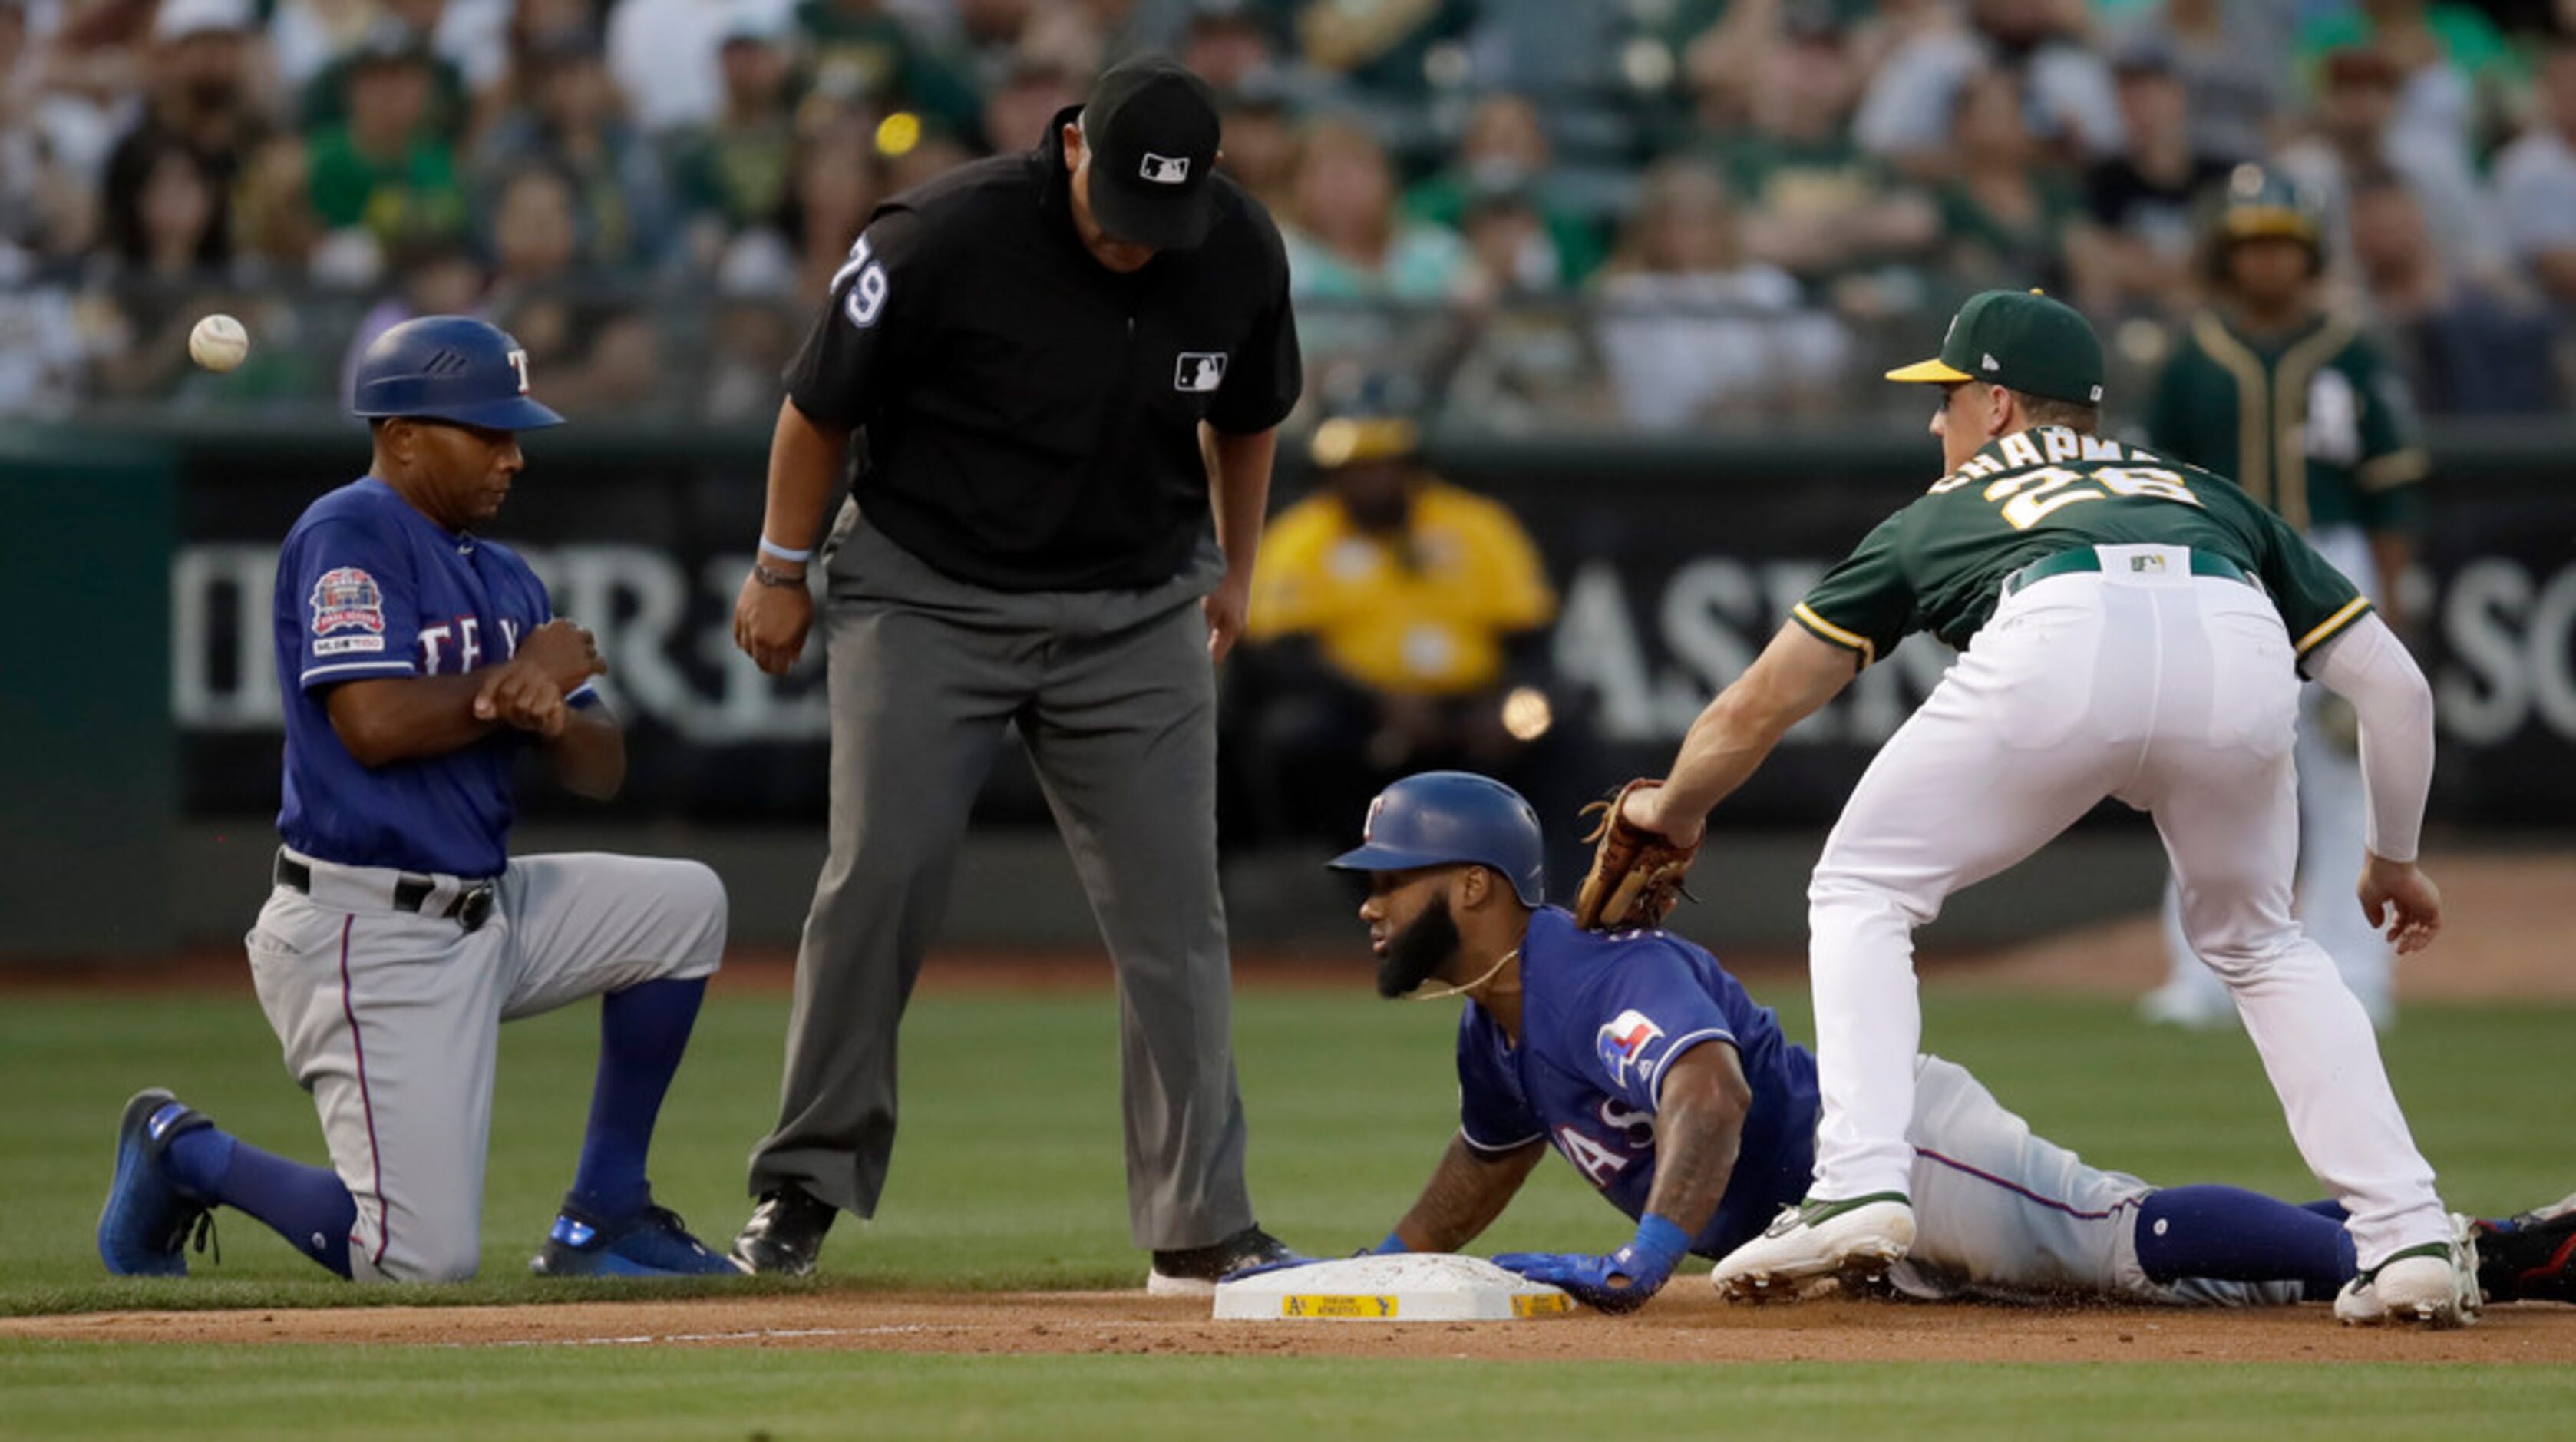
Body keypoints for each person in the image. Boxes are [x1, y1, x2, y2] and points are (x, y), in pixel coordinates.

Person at [1597, 287, 2473, 1327]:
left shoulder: (1947, 510)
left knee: (1863, 887)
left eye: (1951, 396)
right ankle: (2410, 1235)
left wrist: (1674, 806)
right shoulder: (2207, 493)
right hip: (2235, 644)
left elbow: (1759, 703)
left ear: (2002, 405)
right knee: (2263, 943)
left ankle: (1863, 1181)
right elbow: (2398, 690)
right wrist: (2392, 855)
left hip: (2062, 629)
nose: (1937, 420)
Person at [726, 56, 1303, 1293]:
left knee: (1174, 914)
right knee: (880, 874)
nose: (1143, 246)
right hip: (931, 582)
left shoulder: (1237, 245)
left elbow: (1248, 415)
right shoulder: (941, 234)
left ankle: (1200, 1221)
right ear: (1074, 147)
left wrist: (1235, 566)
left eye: (1171, 220)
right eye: (1125, 214)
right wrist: (779, 568)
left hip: (1136, 599)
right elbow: (819, 404)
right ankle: (802, 1185)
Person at [1330, 771, 2576, 1315]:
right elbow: (1468, 1185)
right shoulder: (1499, 1030)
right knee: (2182, 1273)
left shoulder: (1597, 975)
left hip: (1895, 1153)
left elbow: (1704, 1097)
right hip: (1836, 1224)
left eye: (1394, 875)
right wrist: (1355, 1281)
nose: (1373, 899)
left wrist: (1649, 1253)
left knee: (2111, 1234)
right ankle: (2478, 1241)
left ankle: (2460, 1260)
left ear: (1480, 885)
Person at [96, 316, 740, 1282]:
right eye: (488, 433)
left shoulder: (506, 576)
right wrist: (509, 687)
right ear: (402, 435)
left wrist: (554, 715)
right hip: (366, 925)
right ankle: (180, 1150)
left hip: (484, 907)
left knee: (685, 905)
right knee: (416, 1264)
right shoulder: (350, 529)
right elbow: (375, 724)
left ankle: (603, 1217)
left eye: (514, 434)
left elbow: (602, 769)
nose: (513, 457)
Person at [2137, 167, 2429, 1030]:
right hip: (2219, 569)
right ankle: (2199, 973)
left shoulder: (2351, 350)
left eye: (2281, 245)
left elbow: (2390, 493)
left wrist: (2393, 608)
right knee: (2203, 771)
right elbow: (2155, 496)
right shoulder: (2190, 357)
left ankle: (2354, 968)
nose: (2267, 262)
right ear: (2223, 255)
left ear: (2307, 256)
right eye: (2250, 244)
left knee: (2345, 779)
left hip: (2333, 563)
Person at [1234, 378, 1557, 847]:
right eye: (1358, 468)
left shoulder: (1477, 524)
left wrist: (1507, 705)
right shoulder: (1299, 539)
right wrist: (1378, 702)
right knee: (1299, 734)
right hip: (1360, 710)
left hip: (1475, 706)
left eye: (1387, 466)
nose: (1375, 482)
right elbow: (1278, 657)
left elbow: (1532, 637)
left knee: (1552, 729)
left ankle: (1557, 893)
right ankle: (1366, 882)